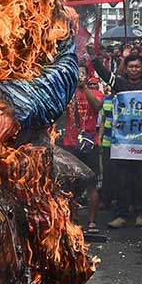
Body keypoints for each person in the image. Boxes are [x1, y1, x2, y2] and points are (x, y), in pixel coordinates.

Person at [92, 52, 142, 228]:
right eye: (130, 66)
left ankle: (141, 213)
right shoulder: (120, 84)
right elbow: (105, 75)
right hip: (122, 143)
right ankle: (121, 215)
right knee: (122, 179)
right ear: (126, 68)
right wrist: (94, 60)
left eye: (137, 66)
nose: (134, 70)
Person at [60, 66, 103, 232]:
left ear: (87, 76)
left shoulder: (95, 92)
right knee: (71, 184)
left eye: (82, 73)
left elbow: (98, 106)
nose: (79, 76)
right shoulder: (67, 93)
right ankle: (73, 218)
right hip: (70, 144)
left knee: (91, 185)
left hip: (89, 144)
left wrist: (84, 87)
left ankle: (92, 221)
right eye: (76, 73)